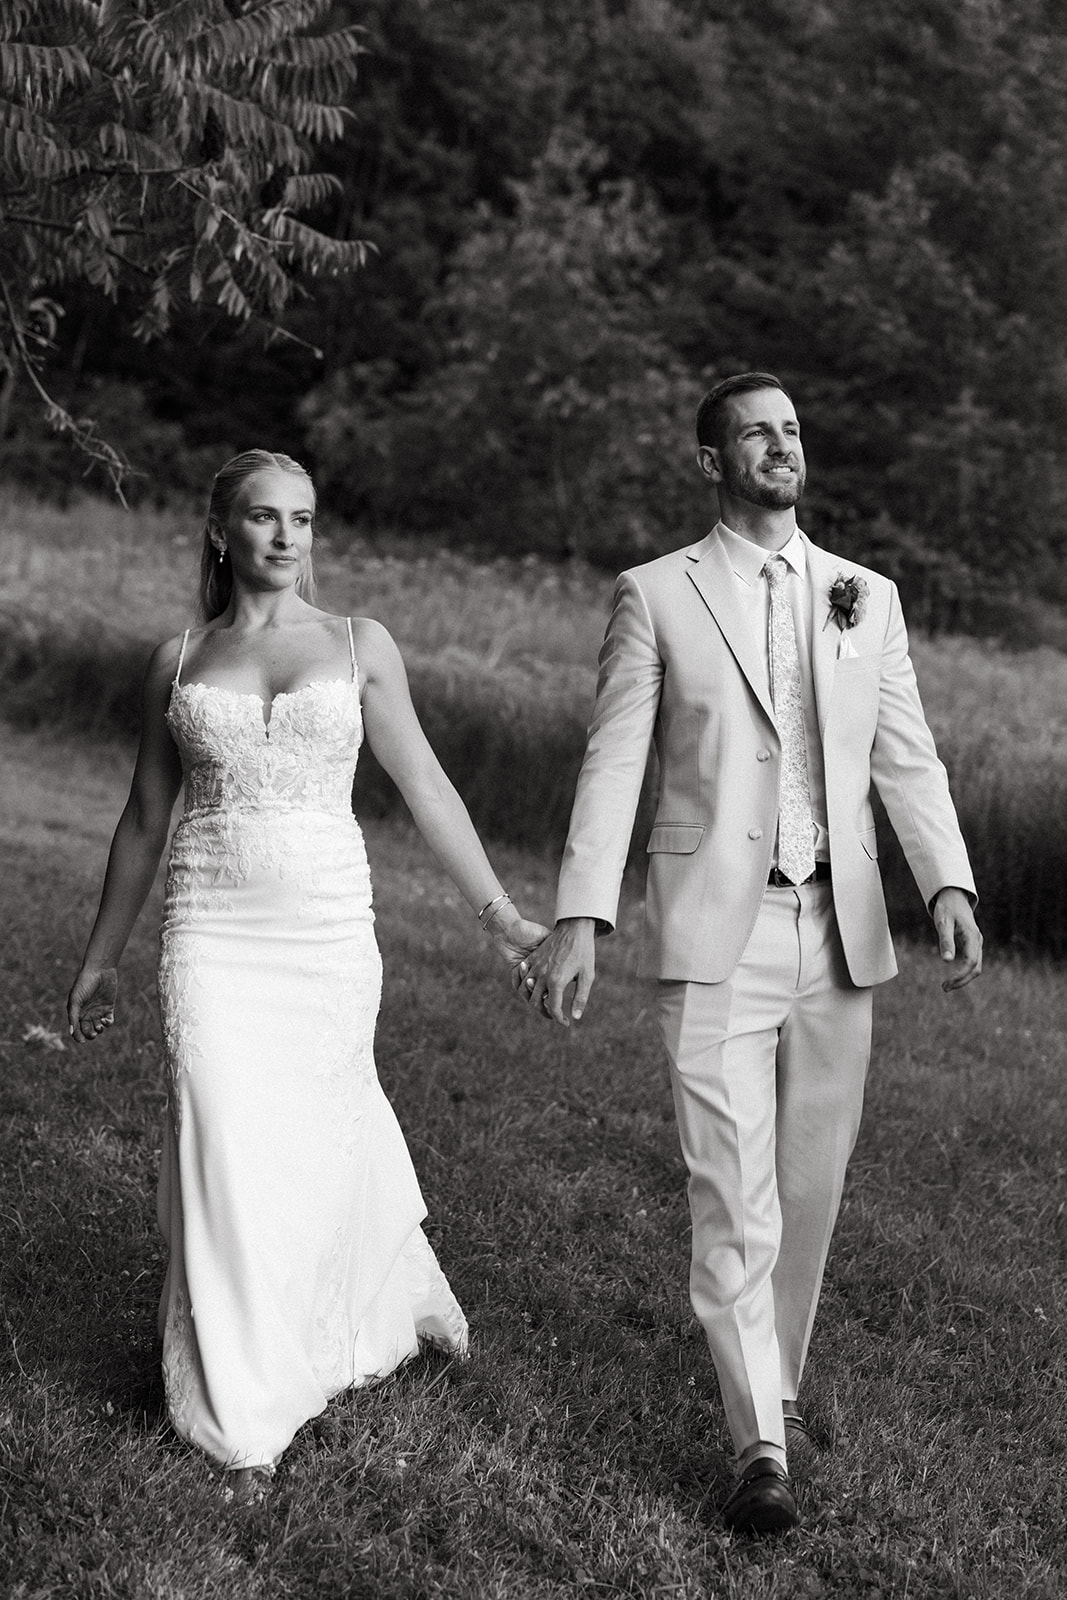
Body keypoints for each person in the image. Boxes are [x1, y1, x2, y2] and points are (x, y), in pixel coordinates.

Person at [517, 374, 982, 1535]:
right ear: (710, 463)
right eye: (753, 434)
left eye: (789, 430)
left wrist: (948, 878)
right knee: (732, 1188)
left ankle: (770, 1381)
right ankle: (755, 1449)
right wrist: (581, 909)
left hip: (841, 931)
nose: (779, 446)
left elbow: (903, 753)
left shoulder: (861, 596)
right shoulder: (655, 595)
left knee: (808, 1192)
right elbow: (613, 759)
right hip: (714, 927)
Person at [67, 449, 547, 1504]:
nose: (287, 537)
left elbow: (424, 783)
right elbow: (147, 817)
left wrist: (505, 919)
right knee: (223, 1134)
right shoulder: (178, 659)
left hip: (327, 932)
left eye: (303, 519)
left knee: (316, 1133)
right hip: (212, 931)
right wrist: (102, 957)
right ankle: (242, 1415)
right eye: (264, 517)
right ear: (218, 530)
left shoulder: (357, 643)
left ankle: (360, 1305)